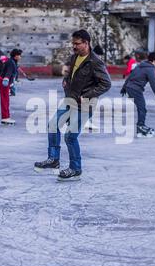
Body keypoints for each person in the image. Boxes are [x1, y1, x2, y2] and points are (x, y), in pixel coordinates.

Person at [34, 29, 111, 182]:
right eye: (73, 43)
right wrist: (66, 81)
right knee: (52, 125)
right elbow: (71, 73)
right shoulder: (75, 56)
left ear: (86, 43)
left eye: (77, 44)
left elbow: (106, 84)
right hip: (70, 99)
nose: (74, 46)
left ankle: (75, 169)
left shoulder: (95, 62)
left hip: (85, 104)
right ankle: (53, 159)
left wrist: (87, 95)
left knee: (70, 136)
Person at [121, 52, 155, 138]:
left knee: (142, 107)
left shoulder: (140, 65)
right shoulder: (151, 69)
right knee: (142, 108)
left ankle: (140, 127)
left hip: (130, 88)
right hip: (135, 89)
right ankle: (140, 127)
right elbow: (153, 84)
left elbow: (130, 76)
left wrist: (124, 87)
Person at [0, 49, 22, 125]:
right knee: (5, 99)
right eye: (19, 55)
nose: (20, 57)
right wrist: (6, 79)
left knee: (6, 99)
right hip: (4, 81)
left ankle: (6, 116)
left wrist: (11, 82)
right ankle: (5, 117)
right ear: (15, 56)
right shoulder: (10, 62)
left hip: (7, 81)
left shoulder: (13, 61)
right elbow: (8, 72)